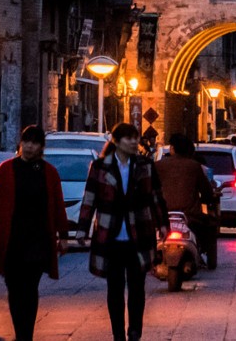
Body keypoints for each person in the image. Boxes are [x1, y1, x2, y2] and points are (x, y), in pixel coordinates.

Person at [75, 123, 167, 341]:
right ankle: (118, 333)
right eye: (128, 138)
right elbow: (90, 199)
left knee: (137, 287)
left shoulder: (145, 165)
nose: (134, 142)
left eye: (135, 138)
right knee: (114, 288)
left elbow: (156, 195)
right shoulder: (100, 167)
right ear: (116, 142)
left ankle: (135, 330)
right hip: (111, 235)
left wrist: (163, 223)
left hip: (139, 234)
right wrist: (82, 229)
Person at [0, 126, 67, 341]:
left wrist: (63, 235)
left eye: (34, 142)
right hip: (12, 238)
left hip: (37, 239)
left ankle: (25, 334)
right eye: (26, 141)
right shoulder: (6, 169)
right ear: (20, 144)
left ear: (41, 147)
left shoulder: (49, 173)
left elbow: (57, 204)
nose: (29, 146)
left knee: (29, 287)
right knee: (14, 286)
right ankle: (21, 330)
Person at [153, 134, 219, 268]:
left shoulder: (157, 166)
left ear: (172, 148)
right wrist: (210, 198)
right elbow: (206, 192)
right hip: (190, 217)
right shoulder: (194, 166)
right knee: (210, 226)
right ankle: (202, 254)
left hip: (160, 216)